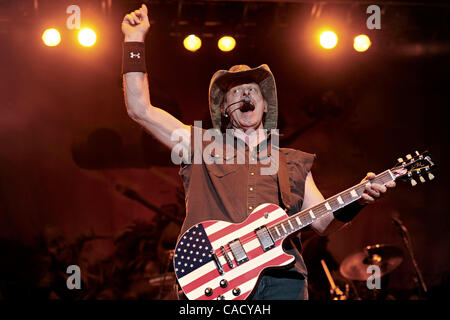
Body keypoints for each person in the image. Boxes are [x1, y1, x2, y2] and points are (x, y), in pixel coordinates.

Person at [121, 4, 396, 300]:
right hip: (215, 278)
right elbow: (140, 110)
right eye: (236, 91)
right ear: (225, 110)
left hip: (283, 282)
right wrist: (134, 40)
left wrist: (357, 200)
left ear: (265, 106)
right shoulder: (199, 144)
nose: (246, 94)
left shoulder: (292, 161)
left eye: (253, 89)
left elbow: (320, 223)